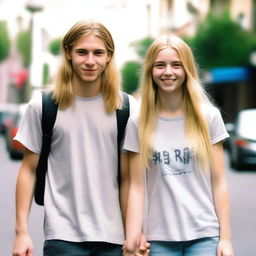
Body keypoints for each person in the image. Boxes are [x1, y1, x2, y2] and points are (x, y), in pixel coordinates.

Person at [12, 20, 147, 256]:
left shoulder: (126, 108)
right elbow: (28, 170)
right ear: (68, 53)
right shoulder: (44, 106)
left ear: (109, 57)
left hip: (113, 238)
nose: (90, 61)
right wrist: (22, 232)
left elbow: (129, 180)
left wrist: (134, 233)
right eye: (82, 52)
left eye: (98, 53)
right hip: (62, 236)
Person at [123, 35, 234, 256]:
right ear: (150, 71)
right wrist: (133, 236)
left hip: (204, 235)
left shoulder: (208, 117)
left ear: (187, 70)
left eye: (176, 65)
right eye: (160, 65)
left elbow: (219, 182)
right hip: (160, 240)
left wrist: (226, 239)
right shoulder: (138, 122)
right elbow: (136, 187)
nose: (168, 72)